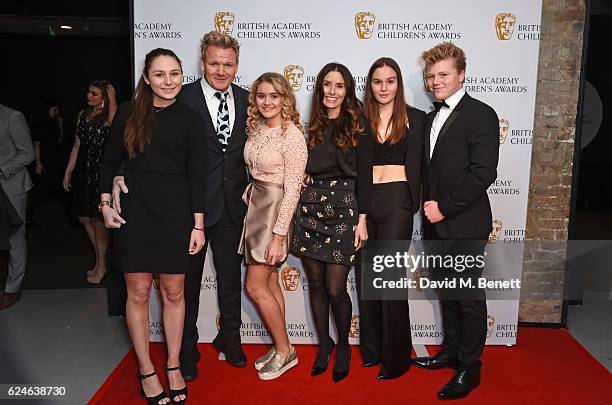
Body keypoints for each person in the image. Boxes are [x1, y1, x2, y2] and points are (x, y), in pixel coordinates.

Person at [112, 31, 249, 379]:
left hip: (233, 206)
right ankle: (186, 351)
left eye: (228, 64)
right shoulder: (178, 97)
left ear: (236, 66)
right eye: (214, 63)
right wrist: (118, 175)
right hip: (187, 210)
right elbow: (137, 138)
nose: (221, 70)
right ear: (202, 63)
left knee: (231, 280)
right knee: (183, 286)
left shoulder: (249, 101)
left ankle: (230, 338)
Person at [100, 48, 207, 405]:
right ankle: (146, 368)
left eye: (174, 73)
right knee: (139, 292)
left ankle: (173, 364)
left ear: (182, 75)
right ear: (146, 78)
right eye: (159, 74)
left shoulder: (191, 118)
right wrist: (104, 203)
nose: (168, 81)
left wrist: (198, 225)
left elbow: (197, 175)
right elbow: (109, 160)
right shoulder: (129, 114)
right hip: (136, 213)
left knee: (175, 292)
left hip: (176, 215)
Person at [412, 42, 499, 400]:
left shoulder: (481, 113)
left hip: (462, 222)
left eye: (443, 74)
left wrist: (444, 208)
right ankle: (450, 351)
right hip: (435, 224)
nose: (436, 81)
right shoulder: (430, 118)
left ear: (461, 75)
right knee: (447, 292)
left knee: (467, 296)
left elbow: (483, 174)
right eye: (431, 76)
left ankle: (470, 367)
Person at [290, 62, 371, 383]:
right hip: (310, 211)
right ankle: (325, 345)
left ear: (347, 91)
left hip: (345, 212)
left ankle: (345, 347)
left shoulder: (357, 126)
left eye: (339, 86)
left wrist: (362, 219)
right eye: (327, 85)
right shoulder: (311, 128)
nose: (332, 92)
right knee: (317, 285)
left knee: (336, 287)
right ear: (320, 88)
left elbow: (365, 177)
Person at [358, 57, 426, 380]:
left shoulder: (417, 119)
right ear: (369, 85)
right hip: (366, 203)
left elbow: (431, 165)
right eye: (377, 82)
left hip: (398, 202)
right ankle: (371, 350)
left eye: (390, 81)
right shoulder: (360, 118)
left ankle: (397, 359)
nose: (383, 88)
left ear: (398, 84)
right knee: (367, 279)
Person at [240, 72, 307, 380]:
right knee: (268, 283)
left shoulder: (291, 135)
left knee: (254, 285)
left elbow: (292, 189)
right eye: (261, 96)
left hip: (274, 213)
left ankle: (283, 350)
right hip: (256, 207)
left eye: (274, 96)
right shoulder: (256, 129)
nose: (267, 102)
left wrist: (279, 235)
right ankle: (285, 347)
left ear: (285, 99)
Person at [63, 80, 117, 284]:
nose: (88, 96)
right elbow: (77, 146)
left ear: (103, 97)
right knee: (84, 218)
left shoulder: (110, 114)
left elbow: (115, 131)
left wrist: (112, 102)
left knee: (98, 219)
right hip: (83, 171)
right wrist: (69, 170)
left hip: (100, 172)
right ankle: (100, 261)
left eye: (93, 93)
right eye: (88, 92)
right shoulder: (83, 115)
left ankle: (103, 266)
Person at [0, 104, 34, 310]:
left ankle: (12, 289)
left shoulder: (13, 117)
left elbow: (27, 153)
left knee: (15, 236)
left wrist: (2, 169)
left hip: (11, 186)